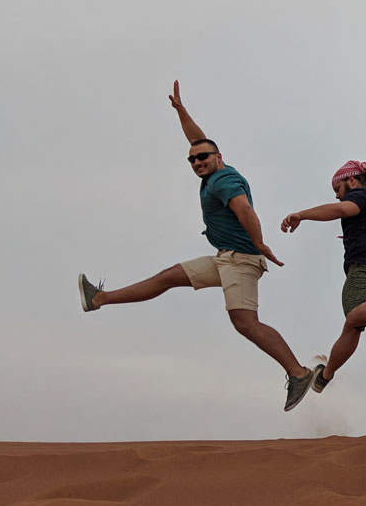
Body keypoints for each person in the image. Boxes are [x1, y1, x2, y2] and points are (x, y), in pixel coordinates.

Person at [78, 82, 316, 410]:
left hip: (242, 261)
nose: (197, 162)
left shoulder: (224, 181)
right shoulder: (212, 171)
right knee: (168, 277)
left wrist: (260, 243)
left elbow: (244, 209)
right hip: (224, 259)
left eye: (203, 157)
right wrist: (180, 110)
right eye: (192, 159)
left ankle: (299, 373)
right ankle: (99, 298)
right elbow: (196, 138)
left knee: (245, 323)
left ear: (219, 157)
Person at [280, 160, 366, 399]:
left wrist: (301, 215)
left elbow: (343, 210)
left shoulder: (363, 195)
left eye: (338, 190)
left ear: (351, 180)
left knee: (354, 311)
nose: (337, 197)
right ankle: (326, 375)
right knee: (353, 325)